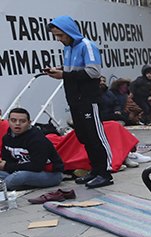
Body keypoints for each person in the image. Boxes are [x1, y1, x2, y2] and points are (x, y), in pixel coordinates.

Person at [43, 16, 112, 189]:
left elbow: (94, 72)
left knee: (95, 136)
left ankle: (105, 173)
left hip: (88, 99)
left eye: (60, 35)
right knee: (84, 136)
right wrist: (59, 70)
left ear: (69, 31)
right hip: (75, 100)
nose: (59, 39)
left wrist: (64, 75)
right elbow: (74, 70)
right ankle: (95, 170)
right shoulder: (68, 48)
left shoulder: (86, 45)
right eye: (56, 36)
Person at [1, 108, 65, 191]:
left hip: (50, 173)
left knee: (19, 177)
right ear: (8, 121)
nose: (17, 124)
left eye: (22, 121)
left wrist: (6, 166)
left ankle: (5, 186)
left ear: (29, 123)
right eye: (13, 120)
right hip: (19, 171)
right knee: (13, 177)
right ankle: (12, 185)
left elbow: (37, 166)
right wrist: (5, 165)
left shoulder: (37, 139)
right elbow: (8, 161)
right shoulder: (6, 138)